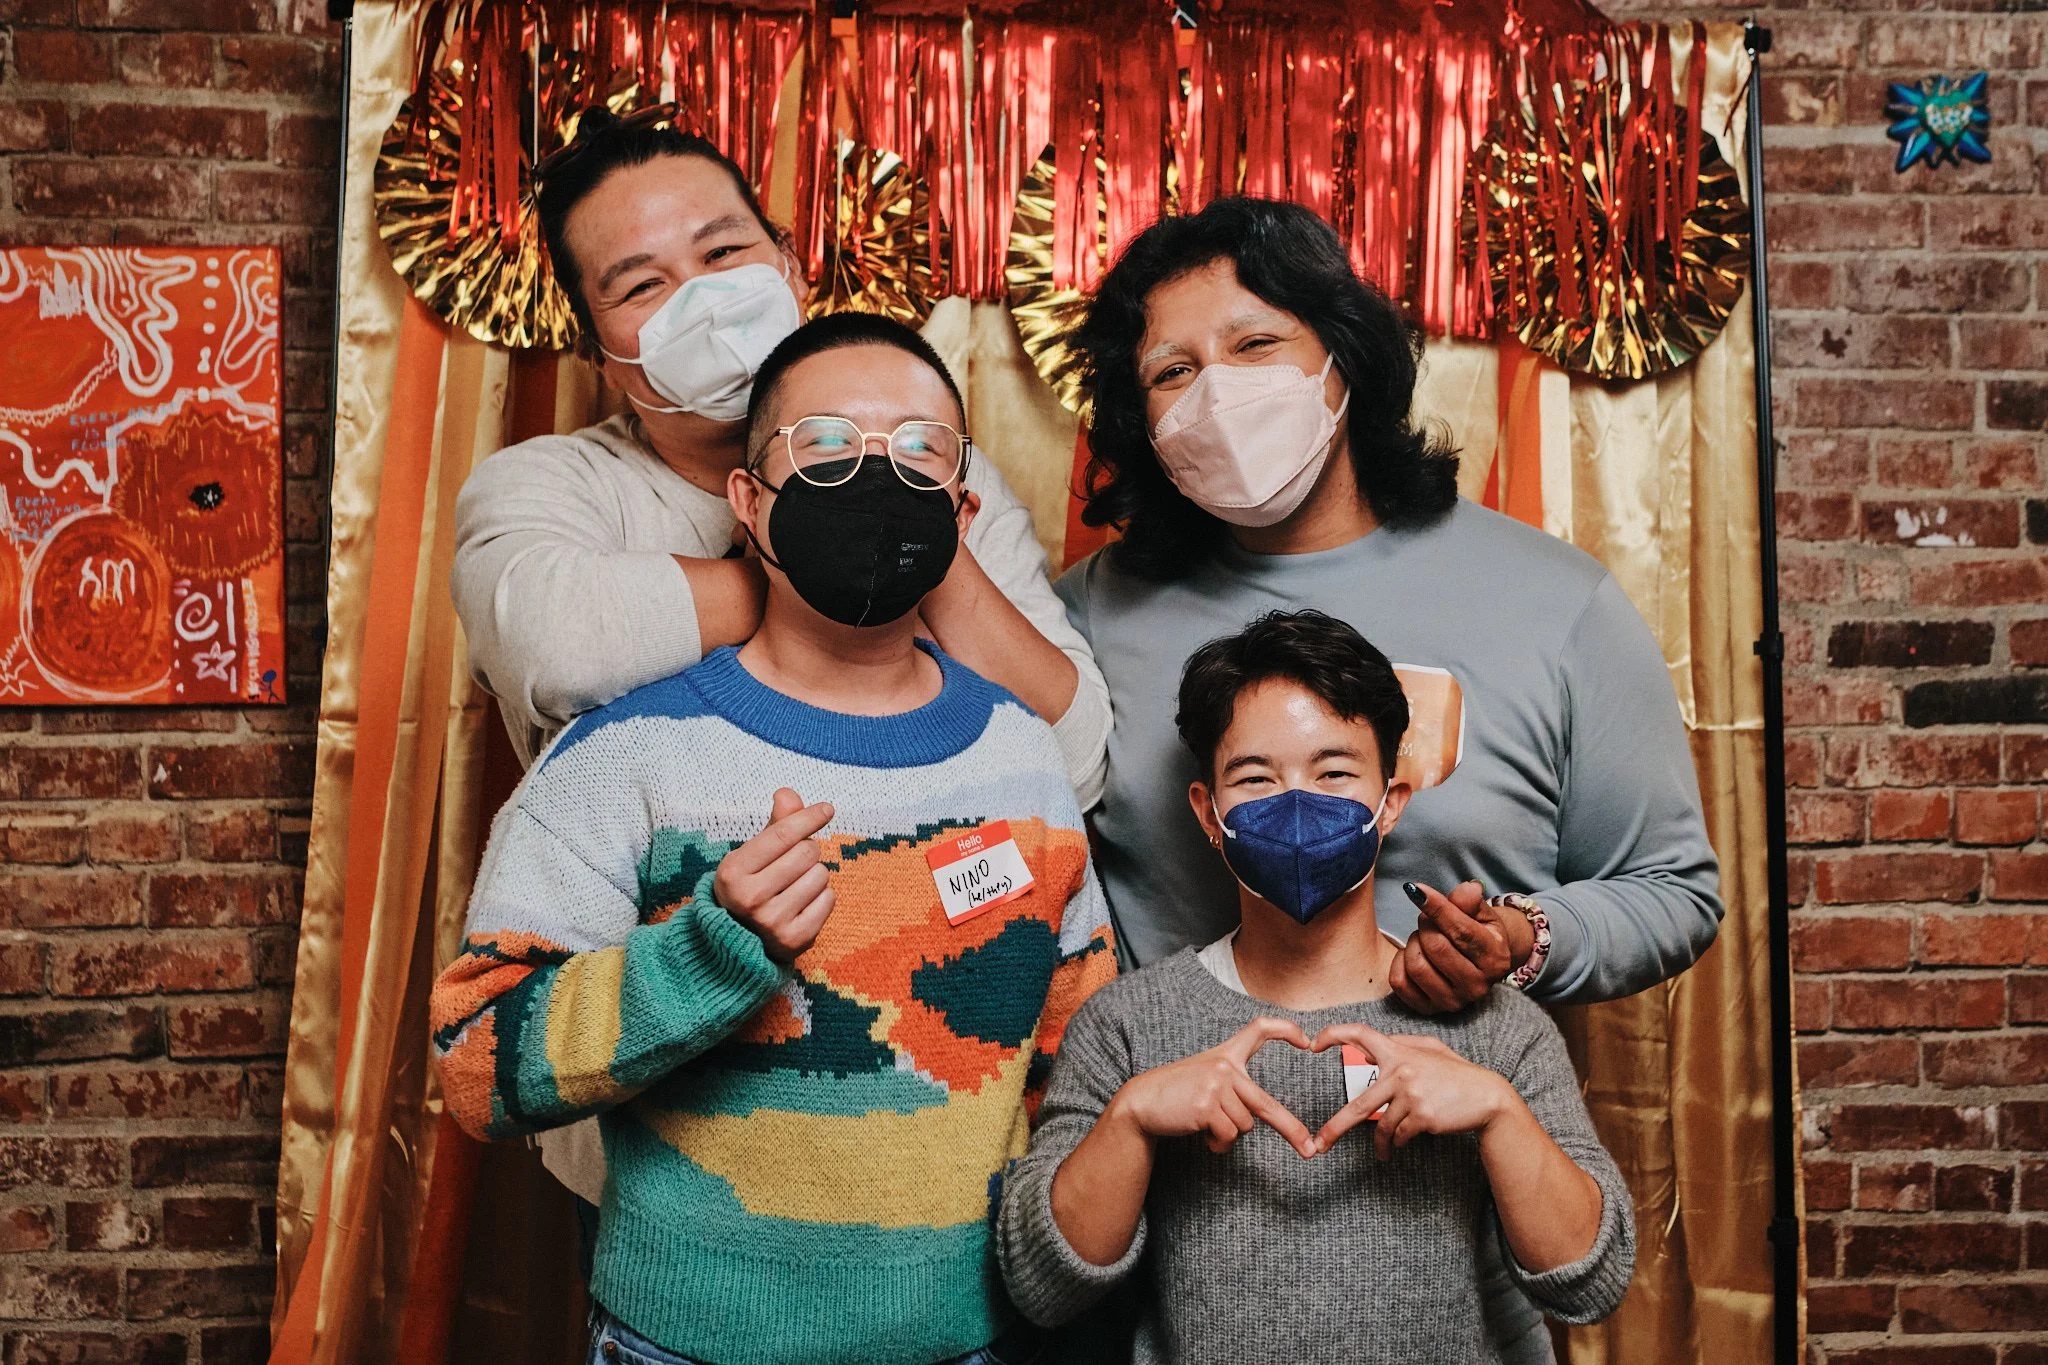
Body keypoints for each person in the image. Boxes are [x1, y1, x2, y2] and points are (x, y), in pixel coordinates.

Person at [1052, 197, 1717, 1359]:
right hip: (1184, 1257)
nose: (1216, 390)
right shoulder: (1090, 615)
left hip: (1445, 1236)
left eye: (1255, 345)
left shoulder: (1551, 602)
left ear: (1341, 359)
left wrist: (1522, 938)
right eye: (1171, 372)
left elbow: (1673, 886)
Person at [449, 108, 1111, 1221]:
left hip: (939, 1118)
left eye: (722, 254)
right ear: (594, 346)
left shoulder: (935, 468)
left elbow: (1075, 749)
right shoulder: (547, 487)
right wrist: (838, 560)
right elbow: (558, 640)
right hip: (668, 1142)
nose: (699, 297)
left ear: (789, 264)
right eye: (640, 284)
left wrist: (904, 502)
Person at [996, 611, 1635, 1363]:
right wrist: (1131, 1121)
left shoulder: (1499, 1029)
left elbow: (1591, 1284)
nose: (1296, 802)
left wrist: (1498, 1112)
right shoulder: (1127, 1025)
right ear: (1208, 813)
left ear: (1390, 801)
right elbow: (1040, 1287)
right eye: (1256, 777)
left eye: (1333, 772)